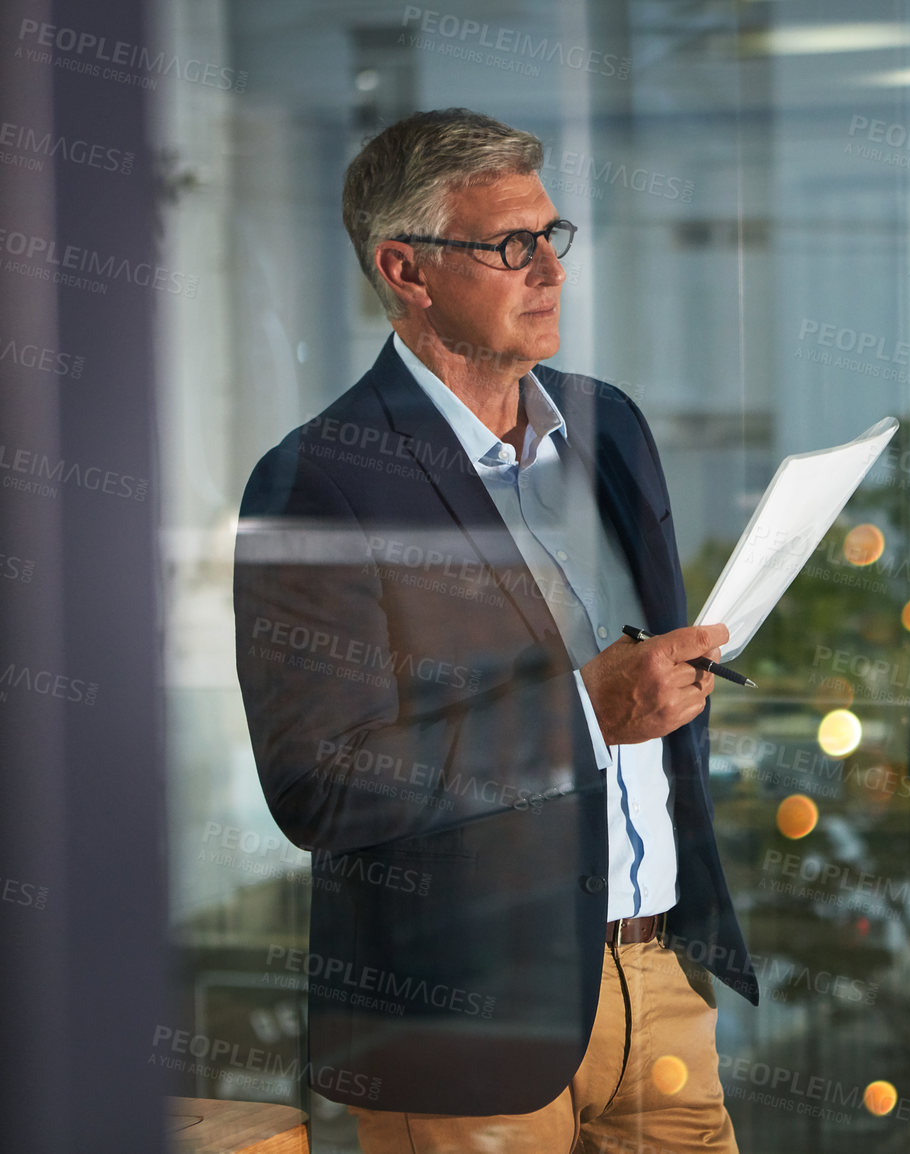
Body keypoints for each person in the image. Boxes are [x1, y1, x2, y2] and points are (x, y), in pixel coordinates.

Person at [232, 107, 756, 1152]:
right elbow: (319, 783)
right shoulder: (318, 480)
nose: (548, 272)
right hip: (464, 1018)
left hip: (658, 983)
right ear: (409, 271)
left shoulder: (610, 426)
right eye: (510, 246)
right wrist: (584, 711)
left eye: (550, 238)